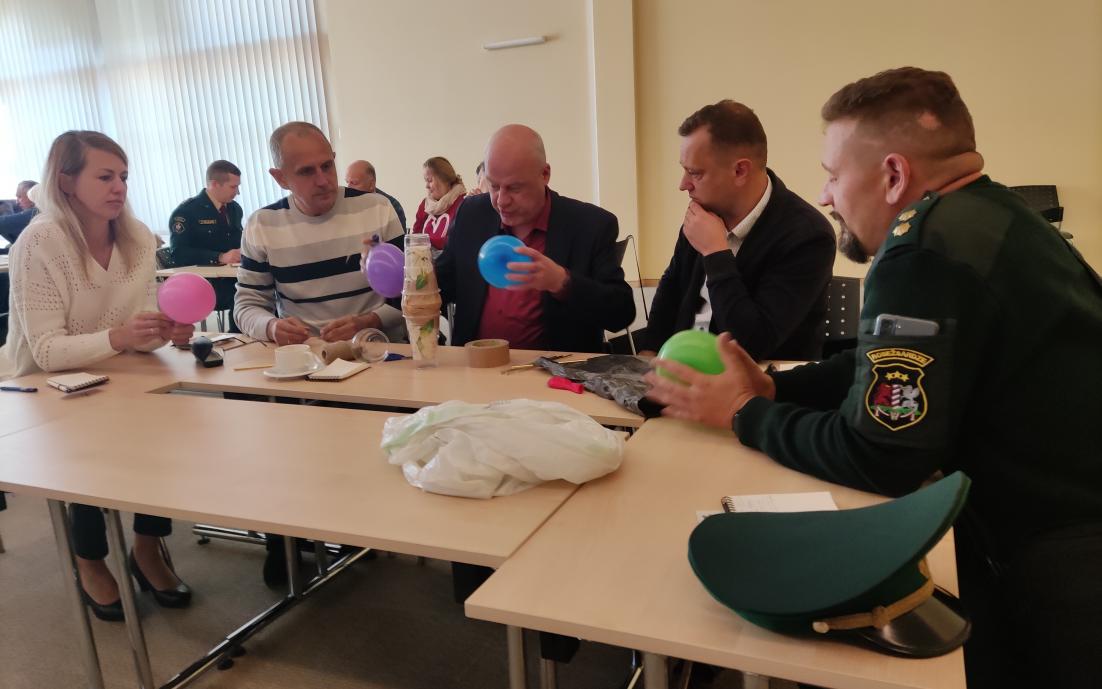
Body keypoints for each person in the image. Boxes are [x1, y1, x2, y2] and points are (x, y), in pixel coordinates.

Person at [645, 67, 1102, 688]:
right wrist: (778, 388)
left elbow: (879, 455)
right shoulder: (997, 215)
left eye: (834, 174)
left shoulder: (922, 252)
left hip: (1054, 560)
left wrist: (744, 414)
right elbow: (876, 359)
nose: (825, 195)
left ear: (893, 176)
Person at [0, 131, 195, 620]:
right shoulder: (39, 242)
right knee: (86, 462)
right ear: (66, 181)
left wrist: (162, 330)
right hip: (47, 385)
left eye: (123, 176)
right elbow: (46, 351)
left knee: (160, 447)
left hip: (121, 371)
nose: (119, 187)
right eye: (105, 177)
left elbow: (140, 331)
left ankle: (147, 548)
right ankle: (89, 560)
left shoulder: (138, 237)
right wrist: (122, 336)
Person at [639, 101, 835, 360]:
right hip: (683, 369)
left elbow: (752, 344)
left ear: (740, 170)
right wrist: (649, 352)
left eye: (694, 173)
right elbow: (672, 288)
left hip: (760, 379)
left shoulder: (808, 235)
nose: (683, 184)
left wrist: (715, 253)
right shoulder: (705, 211)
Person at [436, 124, 635, 353]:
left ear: (545, 174)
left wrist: (561, 282)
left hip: (554, 371)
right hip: (476, 366)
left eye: (514, 188)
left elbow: (621, 313)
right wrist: (414, 280)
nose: (501, 201)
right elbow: (441, 284)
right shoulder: (472, 214)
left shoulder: (590, 226)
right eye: (493, 186)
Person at [235, 122, 405, 346]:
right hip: (307, 355)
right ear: (280, 178)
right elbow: (247, 305)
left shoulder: (377, 209)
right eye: (306, 171)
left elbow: (413, 290)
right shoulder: (262, 225)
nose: (323, 181)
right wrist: (272, 327)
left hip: (375, 349)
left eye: (327, 166)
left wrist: (369, 321)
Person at [168, 160, 245, 330]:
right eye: (233, 187)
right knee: (241, 295)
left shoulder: (234, 209)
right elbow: (179, 254)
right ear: (215, 184)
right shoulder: (187, 212)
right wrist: (219, 257)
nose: (237, 192)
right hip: (205, 284)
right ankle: (238, 339)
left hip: (232, 278)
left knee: (263, 290)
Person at [411, 156, 465, 251]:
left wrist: (429, 245)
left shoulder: (463, 203)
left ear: (445, 179)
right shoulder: (424, 205)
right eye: (426, 181)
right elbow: (415, 239)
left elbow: (459, 241)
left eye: (430, 180)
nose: (426, 186)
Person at [346, 159, 407, 230]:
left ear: (371, 184)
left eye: (354, 183)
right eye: (347, 182)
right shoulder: (345, 205)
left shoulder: (391, 207)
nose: (348, 188)